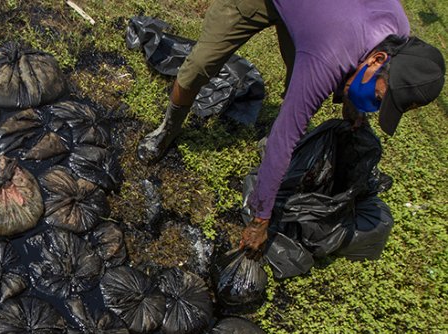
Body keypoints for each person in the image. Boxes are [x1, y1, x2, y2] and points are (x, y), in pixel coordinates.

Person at [137, 0, 445, 255]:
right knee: (200, 67)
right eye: (378, 99)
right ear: (378, 59)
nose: (374, 107)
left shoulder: (400, 35)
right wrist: (261, 219)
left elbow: (356, 60)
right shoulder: (329, 54)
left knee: (297, 84)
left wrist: (353, 102)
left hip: (313, 12)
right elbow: (285, 138)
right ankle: (167, 129)